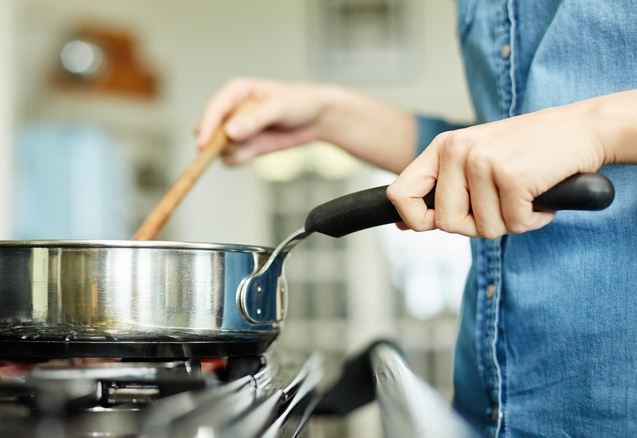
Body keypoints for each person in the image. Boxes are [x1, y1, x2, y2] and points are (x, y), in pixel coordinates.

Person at [195, 1, 637, 437]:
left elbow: (555, 138)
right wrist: (324, 115)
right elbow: (486, 155)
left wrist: (597, 128)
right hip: (486, 406)